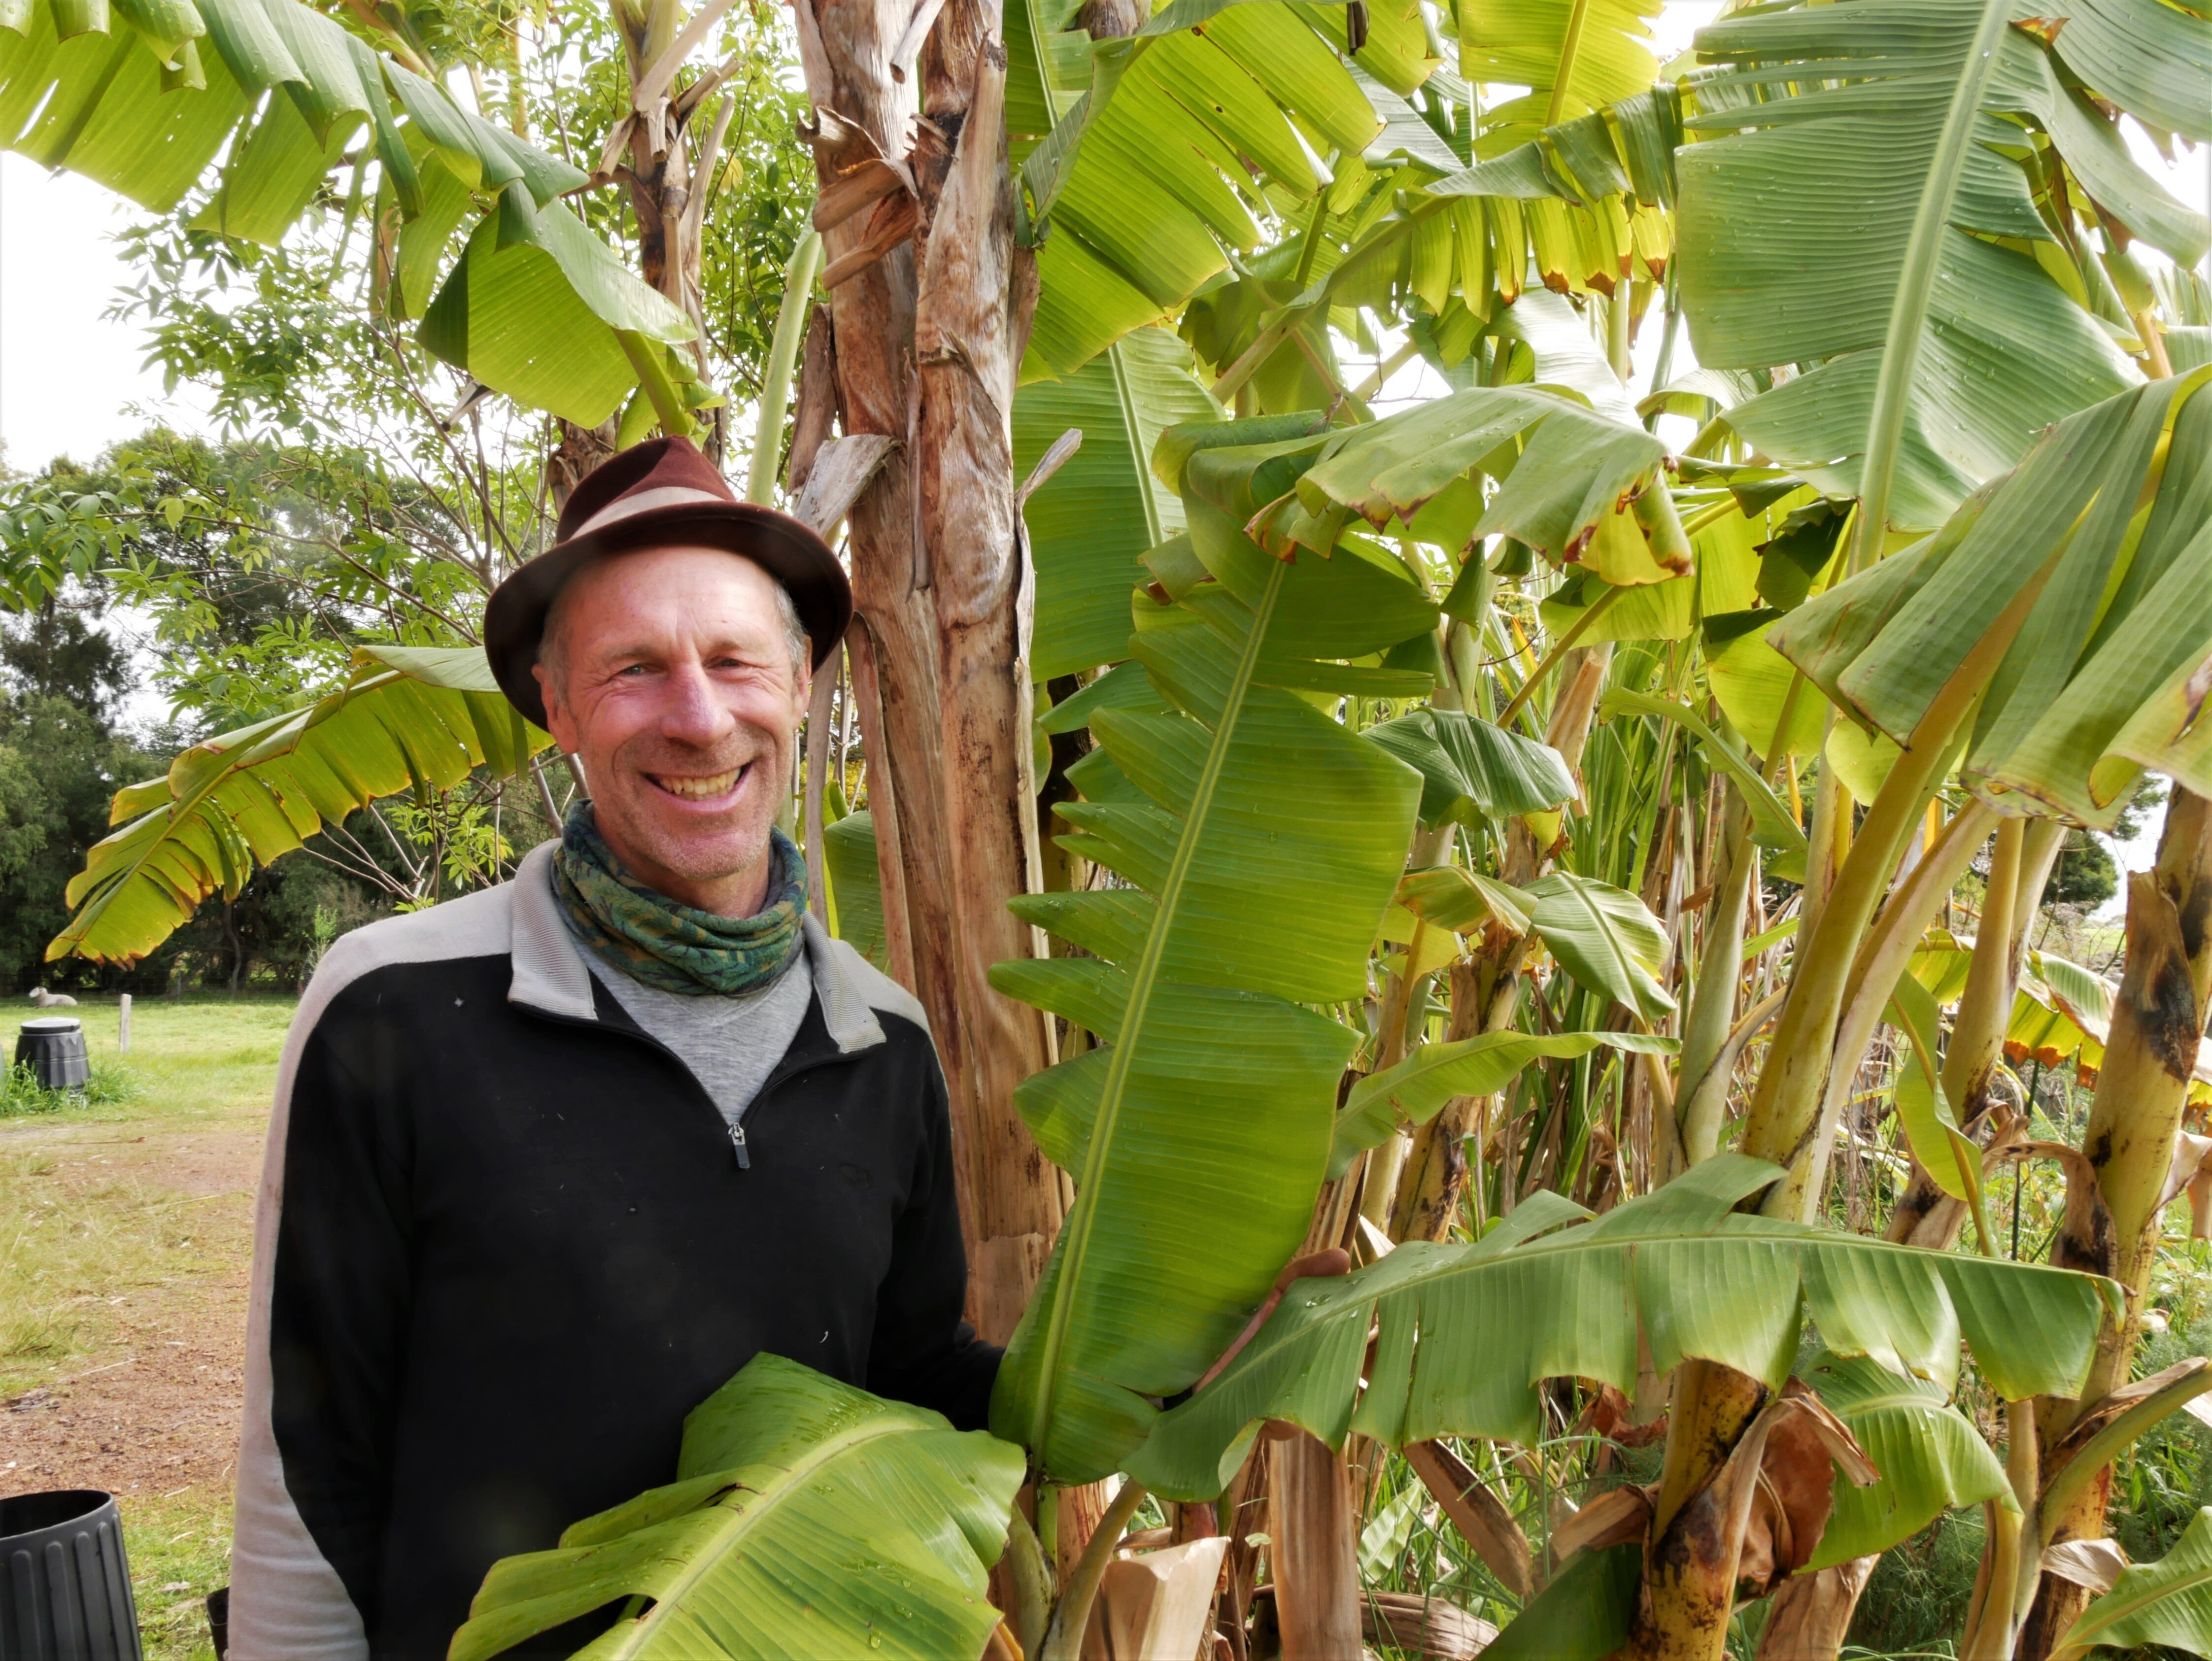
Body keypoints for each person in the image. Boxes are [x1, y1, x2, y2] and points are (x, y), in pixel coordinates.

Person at [224, 437, 997, 1660]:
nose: (699, 717)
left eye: (736, 661)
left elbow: (914, 1378)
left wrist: (1168, 1356)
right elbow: (307, 1454)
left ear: (801, 683)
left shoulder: (880, 1035)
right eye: (636, 670)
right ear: (559, 708)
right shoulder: (394, 1004)